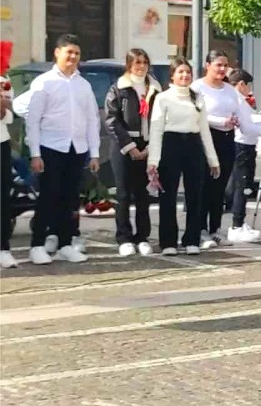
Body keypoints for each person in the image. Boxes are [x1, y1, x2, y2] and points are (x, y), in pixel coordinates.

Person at [25, 34, 100, 265]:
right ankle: (37, 244)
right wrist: (35, 153)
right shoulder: (44, 82)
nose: (73, 57)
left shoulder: (83, 84)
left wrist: (94, 152)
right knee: (49, 196)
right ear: (57, 53)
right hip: (50, 147)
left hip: (76, 149)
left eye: (77, 53)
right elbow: (33, 120)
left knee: (70, 199)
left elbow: (92, 119)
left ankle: (65, 244)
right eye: (69, 52)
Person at [148, 59, 220, 256]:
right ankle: (168, 241)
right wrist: (153, 161)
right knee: (168, 195)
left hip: (193, 144)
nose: (185, 76)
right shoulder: (163, 98)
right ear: (172, 75)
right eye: (180, 72)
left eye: (187, 72)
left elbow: (204, 130)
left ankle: (192, 238)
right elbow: (156, 130)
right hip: (170, 145)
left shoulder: (197, 98)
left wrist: (213, 160)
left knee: (195, 195)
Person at [192, 50, 256, 248]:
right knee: (204, 186)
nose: (222, 69)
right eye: (218, 65)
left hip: (227, 139)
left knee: (219, 188)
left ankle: (215, 229)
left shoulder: (230, 89)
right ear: (208, 65)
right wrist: (222, 120)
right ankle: (200, 229)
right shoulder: (198, 87)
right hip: (205, 138)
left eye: (225, 65)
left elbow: (242, 112)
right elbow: (196, 114)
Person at [104, 48, 162, 257]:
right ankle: (124, 237)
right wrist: (130, 147)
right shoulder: (118, 89)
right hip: (124, 145)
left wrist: (149, 147)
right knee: (123, 194)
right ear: (129, 64)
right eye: (137, 62)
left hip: (147, 143)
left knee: (143, 193)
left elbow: (159, 119)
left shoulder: (154, 88)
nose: (141, 66)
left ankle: (142, 236)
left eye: (144, 62)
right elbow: (112, 121)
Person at [225, 70, 261, 243]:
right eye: (248, 85)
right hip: (242, 146)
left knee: (242, 185)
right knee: (241, 186)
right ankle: (237, 224)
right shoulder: (237, 101)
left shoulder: (240, 101)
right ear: (241, 84)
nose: (249, 89)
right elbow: (248, 127)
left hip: (246, 145)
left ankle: (240, 222)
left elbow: (251, 120)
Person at [1, 69, 14, 269]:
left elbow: (10, 116)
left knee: (2, 197)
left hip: (1, 142)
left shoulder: (3, 80)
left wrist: (4, 108)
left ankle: (3, 248)